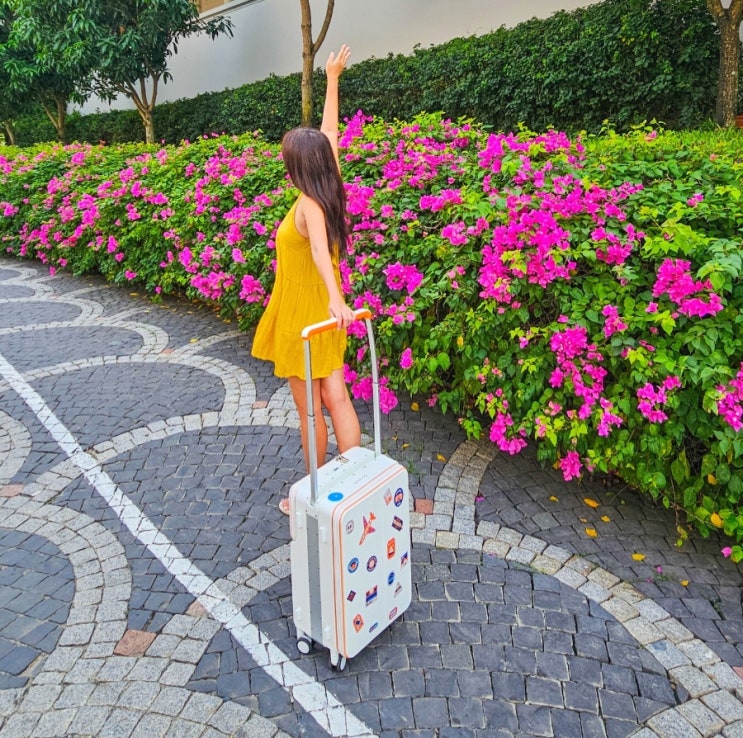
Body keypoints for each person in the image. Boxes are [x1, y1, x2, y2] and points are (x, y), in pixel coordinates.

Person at [251, 44, 361, 515]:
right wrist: (332, 78)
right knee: (337, 398)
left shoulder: (309, 204)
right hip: (322, 308)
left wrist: (336, 299)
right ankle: (354, 481)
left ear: (299, 165)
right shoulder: (328, 184)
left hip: (305, 313)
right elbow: (330, 132)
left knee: (311, 410)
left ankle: (312, 497)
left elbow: (318, 251)